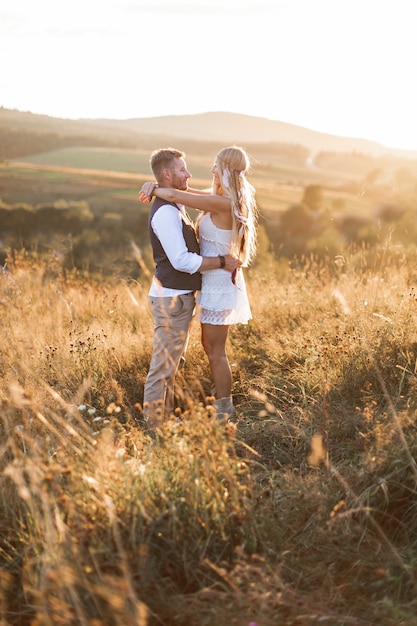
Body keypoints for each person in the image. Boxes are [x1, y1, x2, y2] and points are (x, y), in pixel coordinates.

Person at [140, 145, 258, 420]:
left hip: (218, 282)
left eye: (216, 165)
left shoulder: (223, 202)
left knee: (216, 351)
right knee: (210, 349)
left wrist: (154, 188)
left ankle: (223, 411)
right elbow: (179, 193)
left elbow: (173, 193)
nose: (211, 170)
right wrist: (154, 185)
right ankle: (171, 415)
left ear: (226, 170)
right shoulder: (218, 198)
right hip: (209, 282)